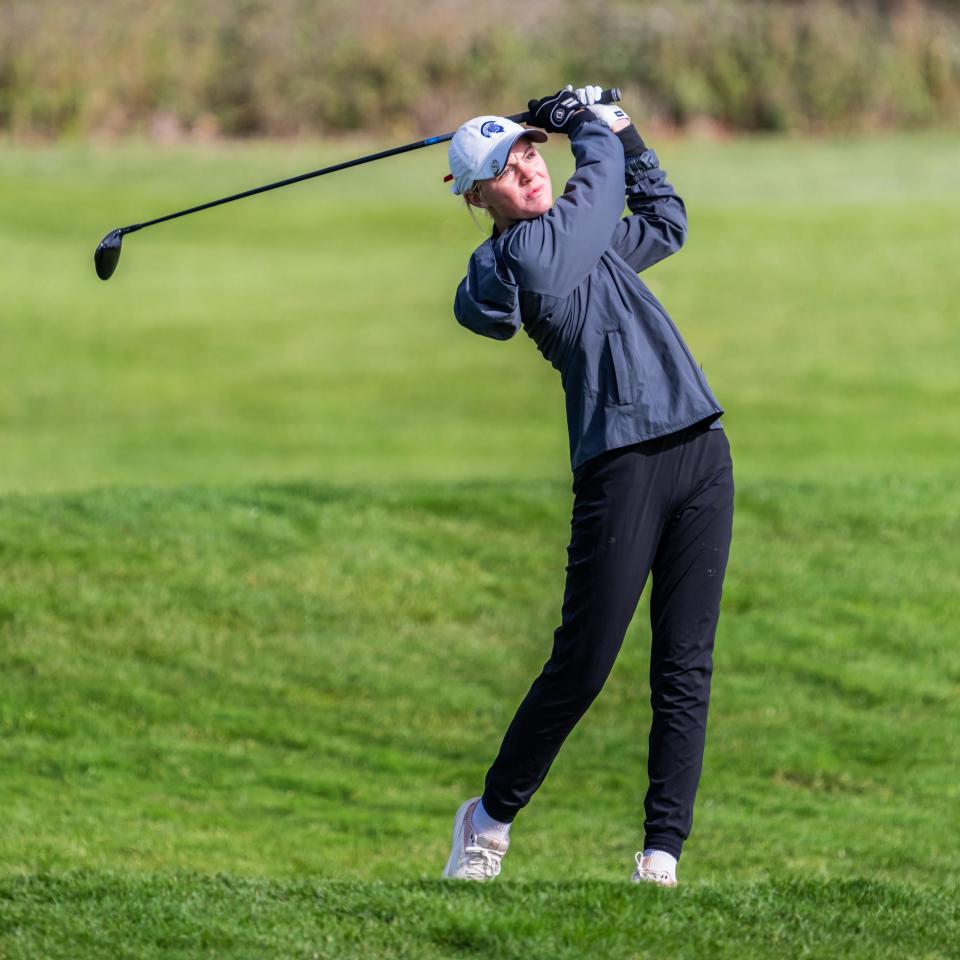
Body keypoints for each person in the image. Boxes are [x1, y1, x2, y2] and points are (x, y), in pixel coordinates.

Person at [440, 86, 734, 887]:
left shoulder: (585, 240)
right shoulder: (521, 257)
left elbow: (665, 219)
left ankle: (661, 855)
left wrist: (626, 128)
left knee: (685, 663)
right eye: (507, 168)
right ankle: (489, 819)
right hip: (619, 465)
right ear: (478, 197)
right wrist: (584, 126)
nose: (529, 170)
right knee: (584, 663)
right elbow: (593, 188)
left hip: (700, 447)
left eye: (532, 151)